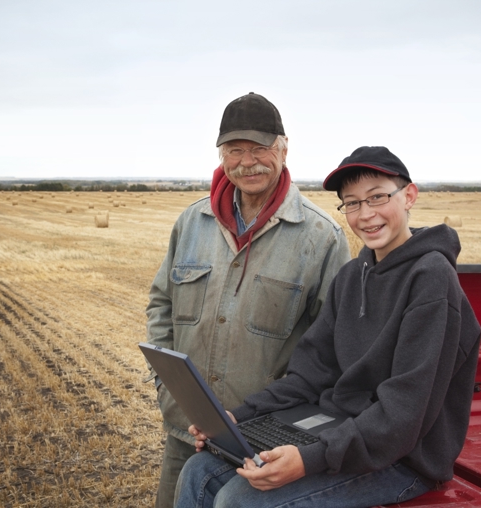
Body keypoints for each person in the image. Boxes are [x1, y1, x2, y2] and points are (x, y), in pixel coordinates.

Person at [175, 146, 481, 508]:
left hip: (403, 460)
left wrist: (310, 459)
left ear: (409, 196)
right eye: (351, 203)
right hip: (340, 434)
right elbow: (310, 374)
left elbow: (403, 415)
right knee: (199, 470)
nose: (365, 215)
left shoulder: (431, 278)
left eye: (377, 198)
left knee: (241, 500)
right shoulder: (353, 275)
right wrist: (235, 419)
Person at [145, 92, 351, 508]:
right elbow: (161, 303)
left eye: (260, 148)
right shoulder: (191, 222)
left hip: (264, 436)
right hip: (187, 427)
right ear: (221, 155)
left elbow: (332, 345)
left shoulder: (321, 237)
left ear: (284, 148)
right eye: (235, 150)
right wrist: (168, 384)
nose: (247, 161)